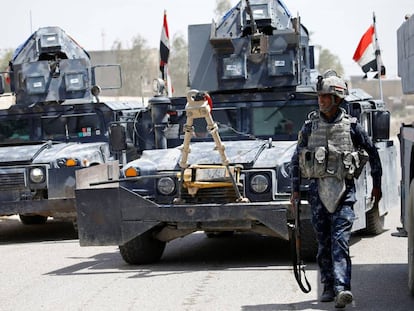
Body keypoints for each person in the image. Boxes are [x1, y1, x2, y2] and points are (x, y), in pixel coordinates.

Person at [290, 71, 382, 308]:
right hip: (317, 194)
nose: (321, 101)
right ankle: (328, 286)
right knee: (324, 244)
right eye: (319, 96)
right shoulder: (310, 126)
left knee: (340, 241)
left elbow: (372, 153)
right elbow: (296, 160)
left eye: (326, 97)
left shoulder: (352, 127)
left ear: (337, 99)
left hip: (344, 193)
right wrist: (295, 192)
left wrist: (377, 186)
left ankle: (342, 288)